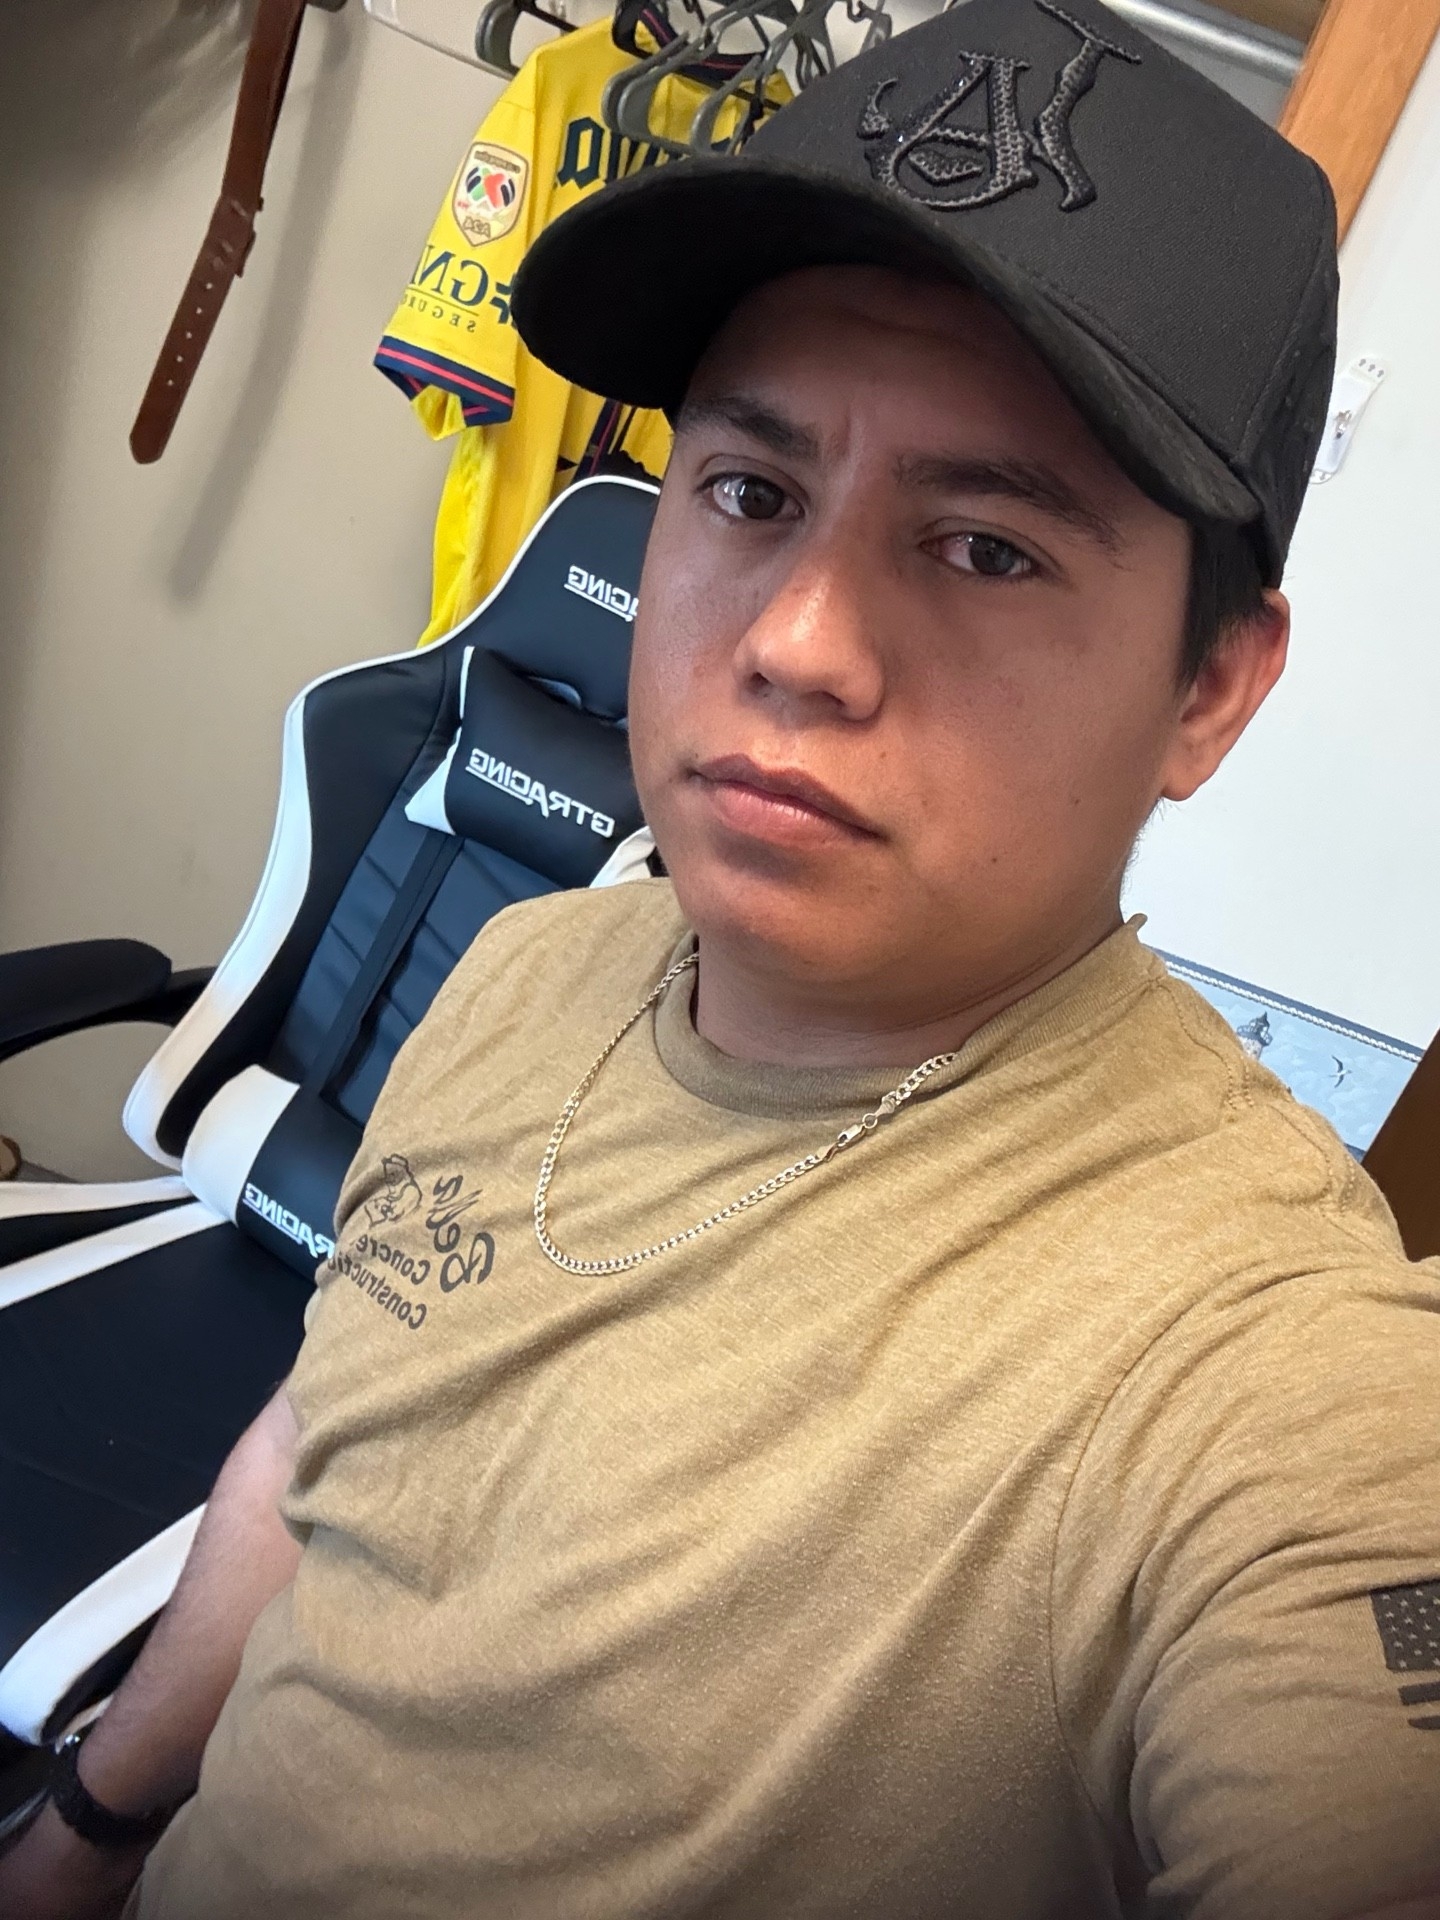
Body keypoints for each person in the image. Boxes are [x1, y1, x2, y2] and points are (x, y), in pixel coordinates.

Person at [5, 1, 1438, 1915]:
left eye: (988, 548)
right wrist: (90, 1828)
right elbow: (322, 1449)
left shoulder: (1263, 1366)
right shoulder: (537, 968)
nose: (798, 642)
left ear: (1211, 692)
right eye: (752, 495)